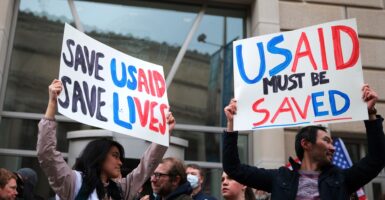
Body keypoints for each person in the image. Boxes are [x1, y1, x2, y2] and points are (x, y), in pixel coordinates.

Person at [222, 84, 385, 199]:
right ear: (306, 144)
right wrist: (232, 124)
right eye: (327, 141)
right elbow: (233, 168)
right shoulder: (280, 178)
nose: (332, 147)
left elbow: (376, 160)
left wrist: (370, 114)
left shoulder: (341, 179)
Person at [37, 79, 176, 199]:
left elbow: (147, 165)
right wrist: (52, 103)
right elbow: (46, 153)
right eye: (115, 156)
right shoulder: (73, 182)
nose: (120, 162)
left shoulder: (121, 190)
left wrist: (164, 133)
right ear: (99, 156)